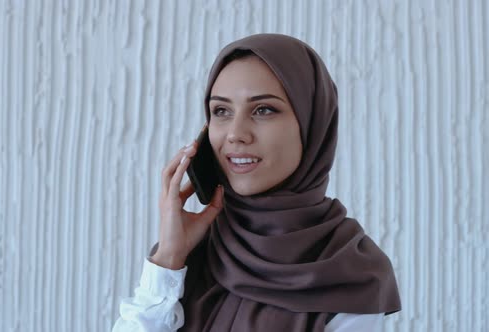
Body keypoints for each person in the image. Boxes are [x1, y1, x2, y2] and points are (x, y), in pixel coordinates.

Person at [112, 33, 401, 332]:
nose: (236, 133)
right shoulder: (191, 253)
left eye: (263, 110)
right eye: (221, 111)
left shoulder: (348, 270)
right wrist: (167, 260)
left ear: (312, 124)